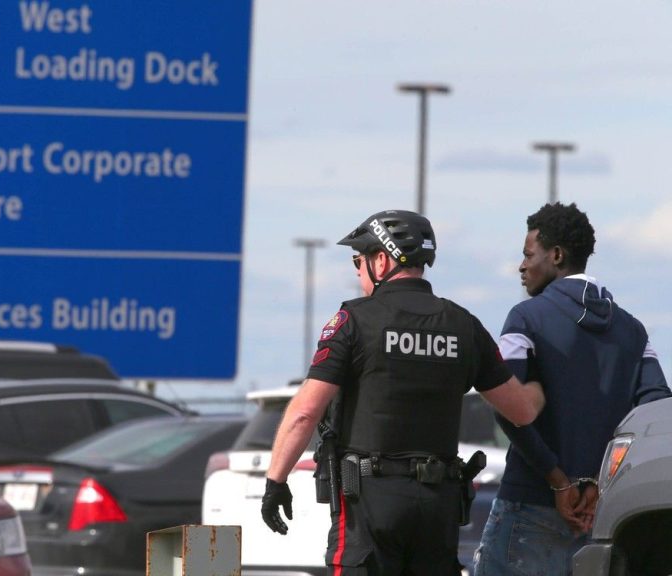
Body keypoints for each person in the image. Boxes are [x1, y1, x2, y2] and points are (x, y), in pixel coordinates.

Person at [260, 209, 546, 575]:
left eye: (358, 261)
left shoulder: (353, 321)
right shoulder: (464, 325)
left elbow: (305, 412)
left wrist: (276, 482)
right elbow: (522, 411)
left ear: (382, 260)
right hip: (438, 506)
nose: (358, 272)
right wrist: (539, 384)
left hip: (370, 503)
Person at [474, 202, 671, 576]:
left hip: (528, 507)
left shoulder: (525, 318)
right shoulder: (632, 329)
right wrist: (598, 485)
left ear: (557, 255)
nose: (521, 266)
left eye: (528, 254)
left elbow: (506, 407)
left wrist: (558, 481)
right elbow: (656, 407)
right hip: (597, 519)